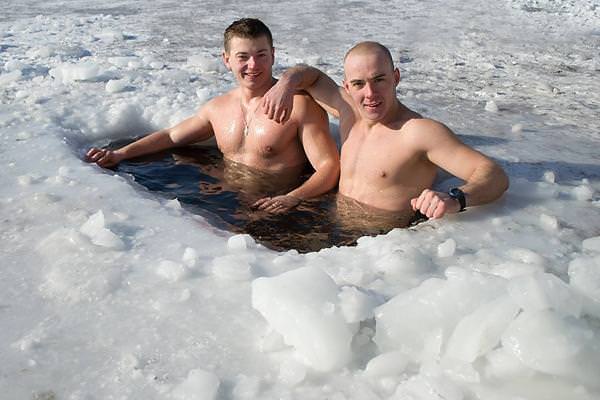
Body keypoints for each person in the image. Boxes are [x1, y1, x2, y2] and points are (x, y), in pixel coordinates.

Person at [86, 18, 339, 214]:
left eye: (261, 55)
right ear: (227, 60)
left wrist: (293, 198)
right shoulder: (217, 108)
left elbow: (329, 167)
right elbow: (172, 136)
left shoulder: (300, 106)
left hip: (281, 208)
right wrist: (120, 154)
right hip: (228, 200)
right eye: (243, 57)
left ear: (273, 55)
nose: (253, 65)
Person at [261, 41, 508, 226]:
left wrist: (455, 199)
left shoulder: (417, 133)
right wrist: (286, 83)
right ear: (347, 87)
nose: (370, 94)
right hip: (333, 230)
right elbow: (312, 77)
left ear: (396, 77)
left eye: (379, 80)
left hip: (382, 245)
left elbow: (494, 175)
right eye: (358, 84)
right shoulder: (349, 111)